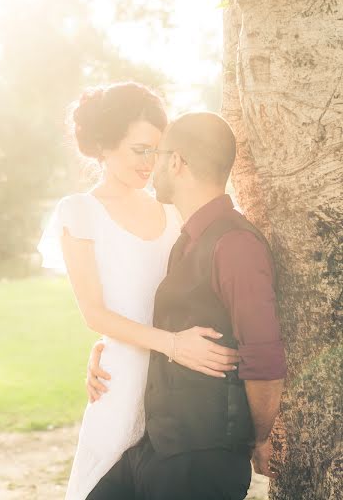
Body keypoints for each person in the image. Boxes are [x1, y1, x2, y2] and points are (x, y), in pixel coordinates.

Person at [37, 83, 240, 500]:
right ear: (104, 146)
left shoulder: (171, 209)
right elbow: (94, 313)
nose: (151, 163)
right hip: (123, 380)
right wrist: (163, 344)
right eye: (139, 149)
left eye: (157, 151)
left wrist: (178, 349)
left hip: (180, 388)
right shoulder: (79, 213)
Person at [85, 111, 287, 500]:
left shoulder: (235, 245)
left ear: (175, 162)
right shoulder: (187, 239)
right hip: (158, 448)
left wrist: (260, 440)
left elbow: (264, 360)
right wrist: (104, 350)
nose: (151, 166)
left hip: (202, 461)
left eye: (158, 155)